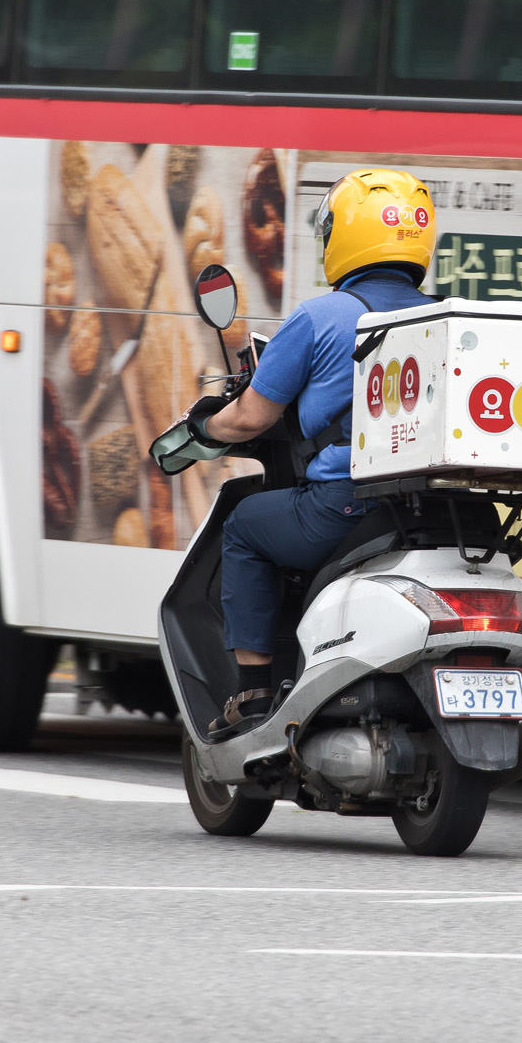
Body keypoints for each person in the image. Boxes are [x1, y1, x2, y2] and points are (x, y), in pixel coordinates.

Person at [195, 168, 437, 735]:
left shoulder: (321, 317)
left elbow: (253, 415)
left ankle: (252, 695)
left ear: (344, 237)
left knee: (244, 525)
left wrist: (209, 424)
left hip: (344, 507)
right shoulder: (445, 315)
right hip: (431, 511)